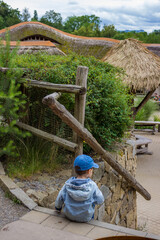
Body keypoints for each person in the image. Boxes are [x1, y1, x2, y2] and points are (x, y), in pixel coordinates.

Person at [55, 154, 104, 222]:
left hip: (69, 215)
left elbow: (59, 198)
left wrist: (58, 208)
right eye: (92, 169)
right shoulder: (92, 185)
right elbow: (100, 200)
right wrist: (92, 202)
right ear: (89, 171)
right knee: (91, 207)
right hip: (86, 217)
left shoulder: (68, 184)